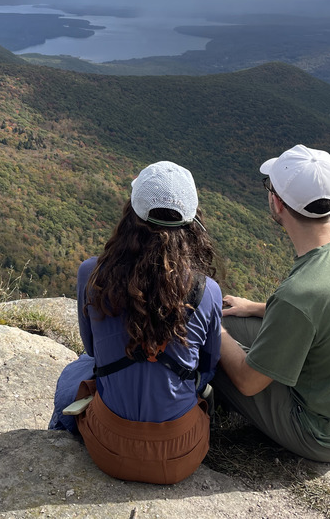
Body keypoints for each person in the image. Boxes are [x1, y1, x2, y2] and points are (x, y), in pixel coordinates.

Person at [215, 144, 330, 462]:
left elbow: (247, 381)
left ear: (278, 203)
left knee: (209, 342)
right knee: (232, 320)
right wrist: (254, 307)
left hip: (324, 434)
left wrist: (211, 327)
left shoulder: (299, 294)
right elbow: (322, 314)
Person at [49, 161, 222, 484]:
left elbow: (92, 351)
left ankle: (56, 436)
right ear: (193, 222)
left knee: (75, 371)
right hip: (181, 454)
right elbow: (209, 366)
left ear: (131, 213)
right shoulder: (206, 292)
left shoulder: (92, 274)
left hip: (108, 447)